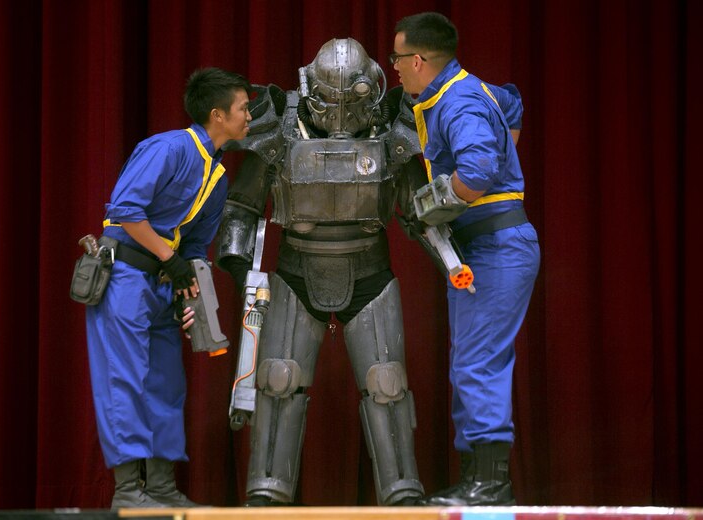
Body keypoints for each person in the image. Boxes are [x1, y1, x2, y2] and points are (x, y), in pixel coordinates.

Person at [215, 38, 428, 506]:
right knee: (277, 381)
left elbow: (415, 207)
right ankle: (267, 493)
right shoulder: (281, 124)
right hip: (296, 269)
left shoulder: (390, 123)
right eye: (331, 102)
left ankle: (402, 494)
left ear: (371, 90)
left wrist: (451, 257)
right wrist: (236, 264)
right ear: (309, 90)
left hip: (369, 269)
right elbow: (244, 202)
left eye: (351, 102)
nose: (339, 116)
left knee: (386, 383)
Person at [391, 12, 541, 506]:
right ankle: (480, 480)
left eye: (396, 59)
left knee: (478, 364)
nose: (394, 69)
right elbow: (512, 104)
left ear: (417, 60)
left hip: (497, 245)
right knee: (471, 362)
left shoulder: (457, 102)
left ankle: (491, 486)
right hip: (488, 244)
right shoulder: (466, 90)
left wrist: (436, 200)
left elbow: (478, 168)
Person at [84, 67, 251, 509]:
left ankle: (160, 489)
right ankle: (128, 493)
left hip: (162, 283)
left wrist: (188, 292)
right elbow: (125, 213)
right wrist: (169, 259)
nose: (249, 116)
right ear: (217, 115)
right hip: (123, 276)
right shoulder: (169, 148)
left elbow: (195, 246)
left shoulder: (217, 176)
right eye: (243, 108)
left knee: (165, 382)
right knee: (125, 380)